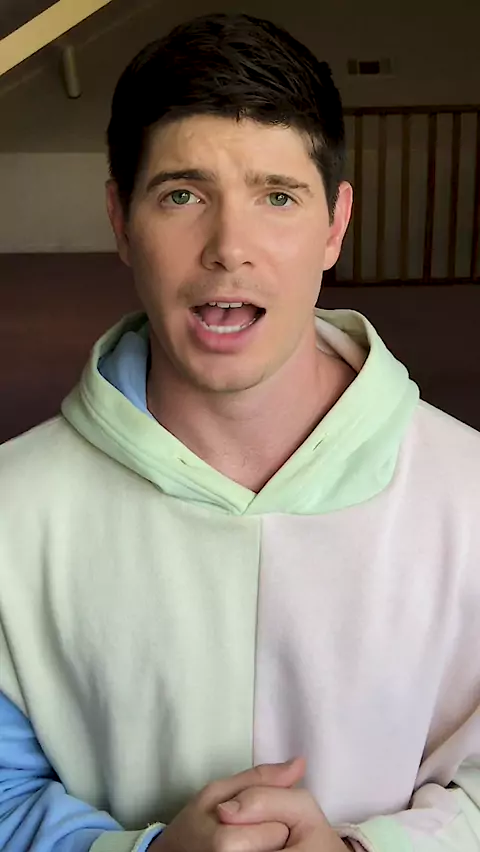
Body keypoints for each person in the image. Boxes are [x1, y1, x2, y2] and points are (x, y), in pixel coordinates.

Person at [1, 11, 480, 852]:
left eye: (278, 197)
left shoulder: (468, 493)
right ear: (120, 220)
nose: (229, 247)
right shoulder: (12, 510)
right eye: (182, 195)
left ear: (335, 225)